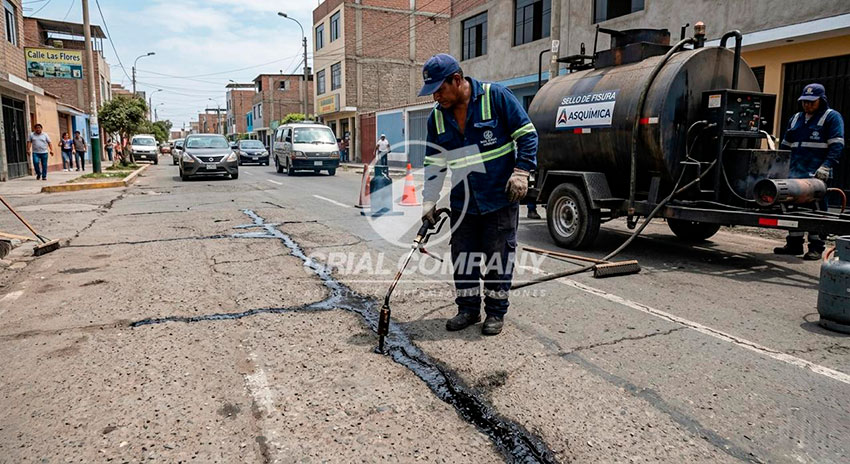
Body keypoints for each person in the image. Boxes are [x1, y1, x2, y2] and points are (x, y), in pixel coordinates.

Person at [419, 54, 537, 336]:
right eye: (432, 91)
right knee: (464, 258)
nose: (436, 96)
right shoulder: (437, 117)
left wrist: (522, 171)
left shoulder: (496, 98)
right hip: (464, 203)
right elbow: (435, 162)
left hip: (499, 198)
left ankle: (495, 313)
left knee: (498, 258)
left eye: (439, 89)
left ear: (457, 80)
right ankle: (468, 309)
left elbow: (527, 135)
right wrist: (429, 200)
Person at [775, 83, 845, 260]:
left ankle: (816, 247)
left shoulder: (831, 117)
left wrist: (826, 166)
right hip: (795, 174)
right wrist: (781, 168)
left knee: (816, 210)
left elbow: (837, 146)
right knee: (792, 208)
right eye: (804, 101)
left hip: (816, 174)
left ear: (821, 100)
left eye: (811, 102)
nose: (807, 105)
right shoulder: (796, 118)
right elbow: (785, 146)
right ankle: (794, 244)